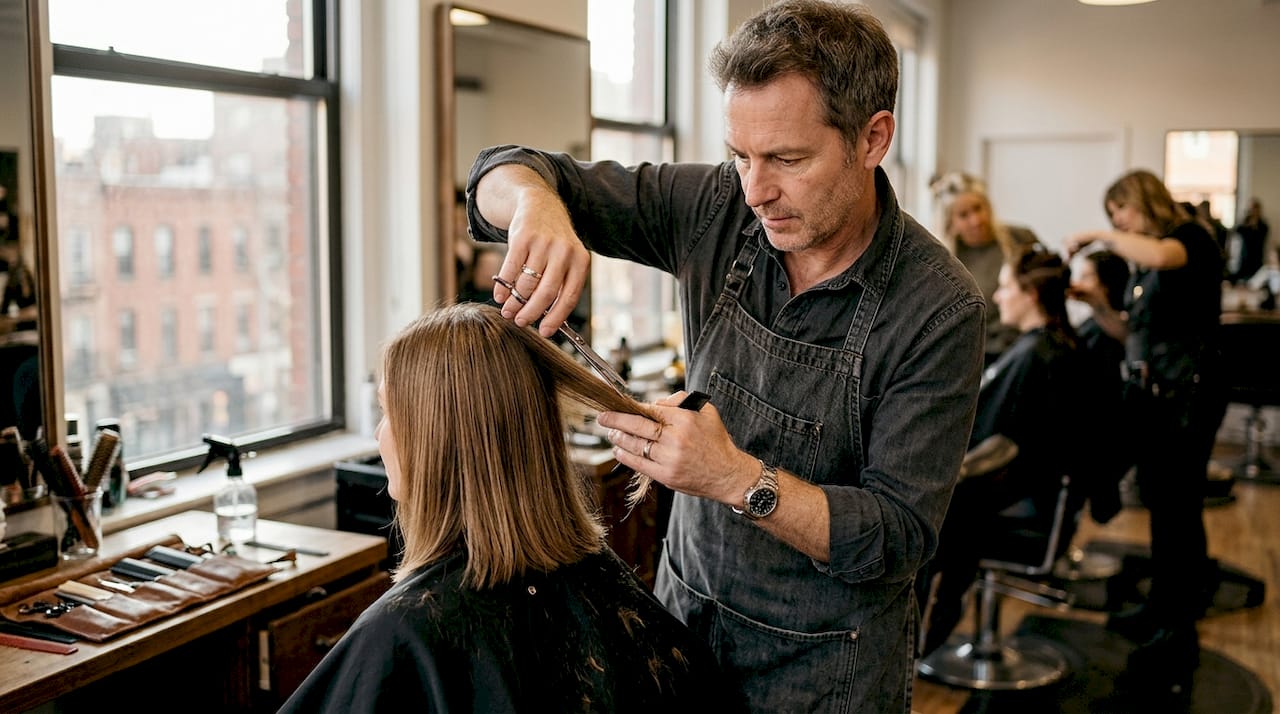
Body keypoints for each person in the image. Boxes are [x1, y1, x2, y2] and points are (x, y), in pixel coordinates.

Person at [466, 1, 986, 710]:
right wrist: (537, 205)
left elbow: (895, 539)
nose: (756, 189)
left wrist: (734, 477)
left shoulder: (938, 308)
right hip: (685, 623)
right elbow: (502, 168)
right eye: (740, 155)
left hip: (825, 670)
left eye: (788, 160)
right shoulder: (716, 207)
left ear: (873, 138)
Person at [279, 304, 733, 713]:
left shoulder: (402, 632)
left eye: (389, 413)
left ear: (434, 443)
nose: (381, 435)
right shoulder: (604, 584)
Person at [1065, 169, 1226, 696]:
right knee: (1162, 501)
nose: (1119, 224)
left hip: (1189, 397)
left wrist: (1099, 236)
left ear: (1141, 201)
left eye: (1122, 213)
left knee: (1179, 507)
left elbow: (1159, 255)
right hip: (1157, 398)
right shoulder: (1151, 264)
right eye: (1113, 219)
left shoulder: (1190, 240)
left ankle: (1178, 625)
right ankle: (1161, 605)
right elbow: (1134, 331)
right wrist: (1096, 307)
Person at [916, 248, 1088, 657]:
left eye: (1007, 287)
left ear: (1030, 294)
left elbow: (1004, 447)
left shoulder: (1035, 356)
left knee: (915, 521)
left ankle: (917, 639)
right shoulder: (1054, 346)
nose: (997, 297)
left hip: (1015, 505)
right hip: (1035, 495)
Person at [931, 171, 1043, 365]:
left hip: (1026, 347)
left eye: (978, 208)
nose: (976, 220)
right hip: (977, 357)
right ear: (951, 222)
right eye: (964, 215)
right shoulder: (945, 261)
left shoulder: (1020, 238)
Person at [1067, 248, 1133, 523]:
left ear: (1106, 282)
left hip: (1101, 432)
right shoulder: (1093, 328)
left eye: (1086, 277)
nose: (1078, 283)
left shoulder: (1111, 332)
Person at [1234, 197, 1270, 283]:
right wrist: (1247, 223)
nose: (1252, 211)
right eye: (1251, 208)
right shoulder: (1245, 223)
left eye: (1254, 208)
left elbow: (1263, 236)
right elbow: (1238, 231)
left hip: (1257, 259)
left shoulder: (1262, 224)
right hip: (1244, 258)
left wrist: (1255, 226)